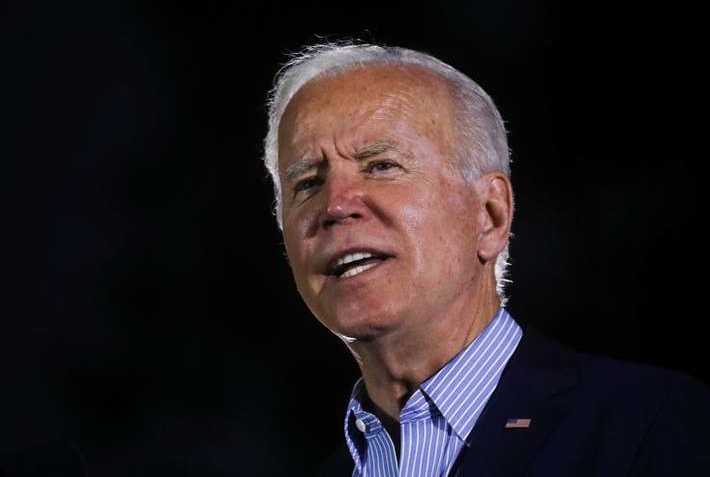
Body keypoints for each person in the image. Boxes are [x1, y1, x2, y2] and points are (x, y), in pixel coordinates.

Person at [263, 42, 710, 476]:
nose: (335, 206)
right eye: (306, 183)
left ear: (490, 215)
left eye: (381, 166)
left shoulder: (653, 425)